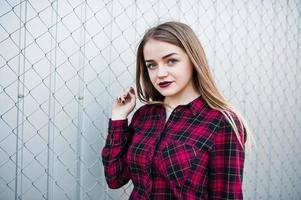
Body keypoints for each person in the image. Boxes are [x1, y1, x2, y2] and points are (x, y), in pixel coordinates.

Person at [102, 21, 248, 200]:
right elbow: (115, 178)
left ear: (193, 60)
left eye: (171, 61)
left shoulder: (221, 122)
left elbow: (227, 195)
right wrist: (119, 118)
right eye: (151, 65)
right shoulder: (144, 116)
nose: (160, 73)